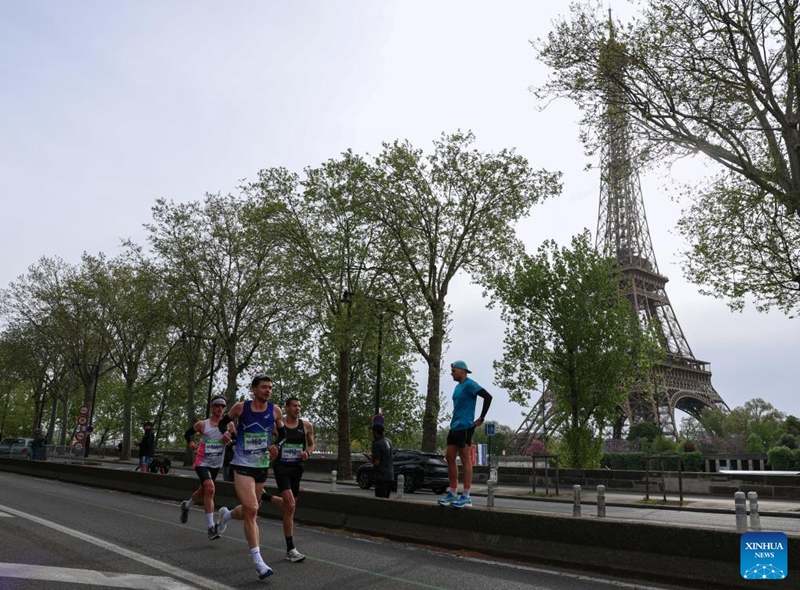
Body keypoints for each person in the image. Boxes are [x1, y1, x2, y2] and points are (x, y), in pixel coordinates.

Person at [215, 375, 285, 580]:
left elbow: (283, 436)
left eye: (270, 387)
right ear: (254, 389)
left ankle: (226, 515)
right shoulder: (240, 407)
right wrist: (225, 435)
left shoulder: (275, 410)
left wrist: (276, 446)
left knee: (249, 510)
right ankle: (258, 562)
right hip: (242, 465)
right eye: (264, 387)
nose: (268, 390)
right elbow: (223, 424)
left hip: (262, 466)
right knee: (253, 510)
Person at [262, 396, 314, 563]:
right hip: (281, 468)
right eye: (294, 406)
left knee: (289, 508)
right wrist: (271, 451)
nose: (297, 408)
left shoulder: (306, 426)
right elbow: (268, 443)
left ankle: (265, 497)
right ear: (286, 408)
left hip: (297, 469)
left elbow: (312, 444)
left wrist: (308, 452)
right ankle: (290, 549)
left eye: (299, 406)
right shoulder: (278, 426)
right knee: (290, 505)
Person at [438, 360, 492, 508]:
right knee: (449, 457)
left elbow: (488, 397)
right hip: (454, 426)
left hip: (466, 427)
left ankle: (466, 496)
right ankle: (453, 493)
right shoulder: (457, 387)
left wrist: (481, 418)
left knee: (465, 459)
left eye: (453, 371)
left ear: (462, 371)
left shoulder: (470, 384)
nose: (451, 373)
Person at [180, 396, 232, 540]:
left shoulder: (230, 425)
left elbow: (235, 441)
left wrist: (229, 440)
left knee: (203, 490)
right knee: (210, 488)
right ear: (211, 407)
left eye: (222, 406)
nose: (220, 409)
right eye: (217, 405)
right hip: (202, 462)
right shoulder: (203, 424)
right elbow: (188, 433)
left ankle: (187, 505)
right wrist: (190, 443)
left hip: (216, 464)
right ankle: (211, 528)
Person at [367, 423, 393, 498]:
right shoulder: (388, 441)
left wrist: (369, 457)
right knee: (386, 499)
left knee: (380, 500)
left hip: (381, 476)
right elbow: (386, 455)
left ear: (375, 432)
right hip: (389, 475)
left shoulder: (377, 444)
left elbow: (377, 463)